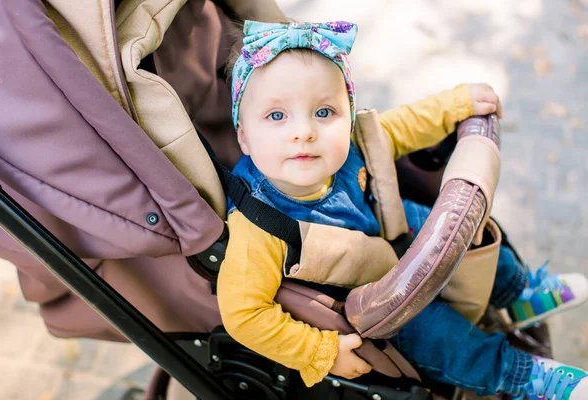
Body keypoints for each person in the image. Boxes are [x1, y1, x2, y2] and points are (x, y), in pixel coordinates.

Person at [216, 20, 588, 399]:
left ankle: (516, 291)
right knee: (440, 335)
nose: (304, 132)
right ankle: (523, 376)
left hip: (389, 232)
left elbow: (405, 125)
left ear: (348, 115)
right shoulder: (257, 227)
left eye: (324, 112)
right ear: (243, 136)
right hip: (368, 297)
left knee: (458, 224)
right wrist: (320, 352)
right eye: (277, 116)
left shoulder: (349, 146)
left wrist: (458, 103)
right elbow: (243, 315)